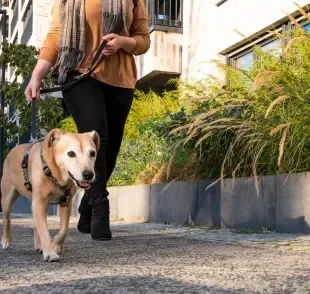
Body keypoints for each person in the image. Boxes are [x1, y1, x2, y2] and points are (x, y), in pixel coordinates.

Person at [25, 0, 151, 241]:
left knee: (108, 149)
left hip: (120, 80)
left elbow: (143, 39)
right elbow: (56, 34)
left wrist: (123, 42)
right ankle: (101, 211)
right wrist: (36, 75)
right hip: (79, 74)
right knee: (97, 137)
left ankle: (87, 207)